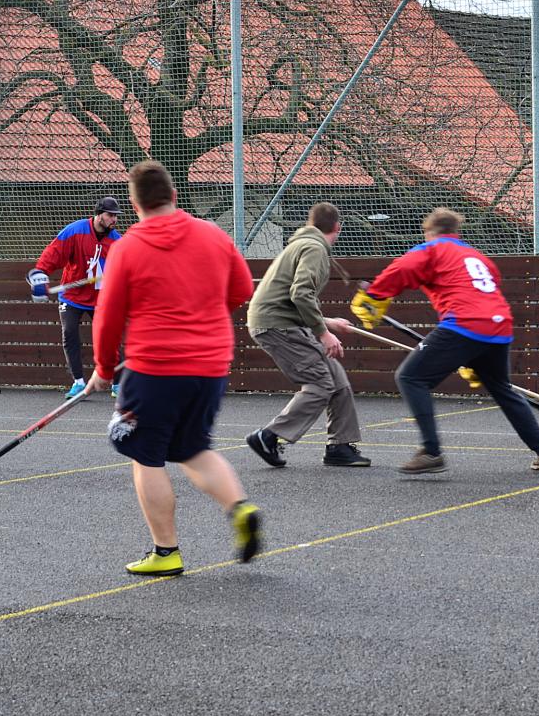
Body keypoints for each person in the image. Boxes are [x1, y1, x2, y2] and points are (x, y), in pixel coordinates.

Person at [84, 161, 260, 576]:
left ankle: (166, 553)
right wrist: (202, 318)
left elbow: (107, 317)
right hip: (210, 366)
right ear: (174, 195)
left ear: (135, 204)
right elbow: (241, 289)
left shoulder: (128, 247)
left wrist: (104, 369)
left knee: (145, 454)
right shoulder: (214, 235)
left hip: (155, 367)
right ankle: (240, 507)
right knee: (194, 448)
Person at [350, 207, 539, 475]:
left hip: (464, 322)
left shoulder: (431, 249)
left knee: (410, 378)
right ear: (455, 232)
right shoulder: (477, 256)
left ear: (429, 232)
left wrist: (374, 296)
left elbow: (403, 268)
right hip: (498, 325)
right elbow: (490, 284)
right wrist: (470, 355)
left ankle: (431, 452)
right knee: (502, 389)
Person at [245, 202, 368, 468]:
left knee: (336, 379)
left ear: (311, 224)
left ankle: (340, 446)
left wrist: (329, 323)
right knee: (320, 382)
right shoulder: (314, 249)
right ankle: (268, 436)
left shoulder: (303, 244)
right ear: (337, 227)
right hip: (278, 325)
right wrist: (323, 333)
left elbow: (293, 296)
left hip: (282, 321)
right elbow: (300, 294)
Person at [27, 196, 124, 399]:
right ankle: (78, 382)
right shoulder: (75, 231)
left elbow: (127, 268)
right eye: (110, 215)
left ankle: (118, 384)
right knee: (69, 332)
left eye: (116, 216)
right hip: (72, 297)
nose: (114, 219)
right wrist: (40, 273)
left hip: (100, 298)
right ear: (99, 215)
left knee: (110, 337)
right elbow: (53, 253)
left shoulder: (117, 241)